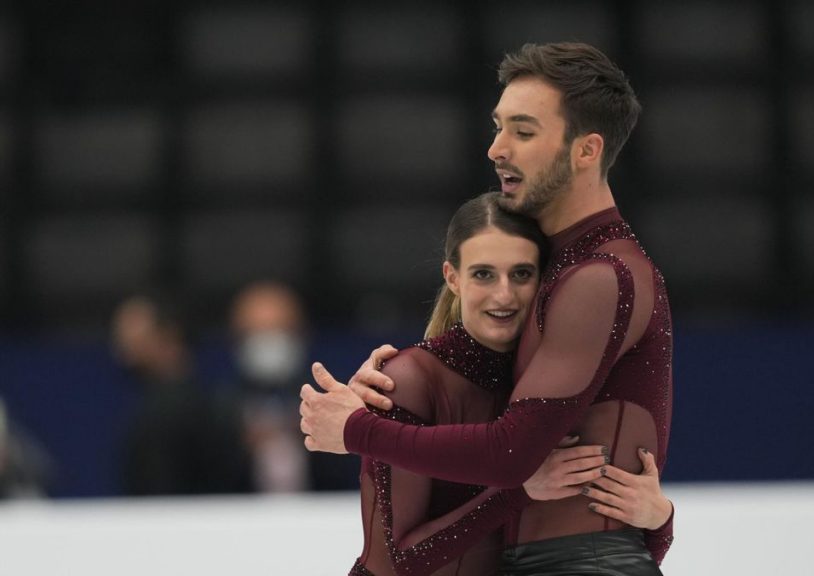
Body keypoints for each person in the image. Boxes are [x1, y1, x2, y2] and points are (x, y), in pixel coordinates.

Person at [301, 42, 674, 574]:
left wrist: (358, 429)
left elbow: (514, 454)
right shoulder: (563, 269)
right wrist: (399, 384)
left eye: (522, 131)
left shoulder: (598, 276)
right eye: (498, 127)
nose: (496, 149)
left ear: (586, 150)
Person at [339, 192, 666, 575]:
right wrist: (520, 490)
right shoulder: (407, 380)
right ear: (453, 277)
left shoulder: (550, 388)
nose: (504, 295)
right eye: (483, 274)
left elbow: (606, 552)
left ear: (545, 281)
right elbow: (400, 561)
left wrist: (659, 518)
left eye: (522, 274)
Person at [112, 292, 248, 495]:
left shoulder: (170, 410)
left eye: (133, 330)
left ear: (169, 334)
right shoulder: (162, 404)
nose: (123, 342)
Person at [229, 281, 357, 492]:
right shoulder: (218, 406)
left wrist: (315, 434)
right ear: (237, 339)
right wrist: (240, 443)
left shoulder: (331, 395)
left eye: (279, 331)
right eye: (256, 333)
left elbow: (356, 472)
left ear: (300, 334)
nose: (268, 343)